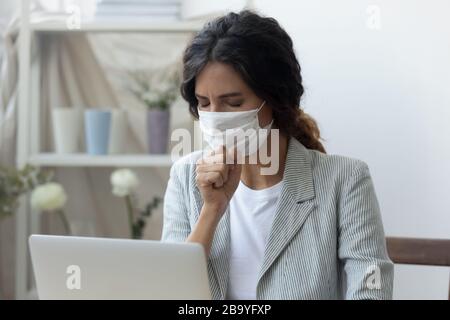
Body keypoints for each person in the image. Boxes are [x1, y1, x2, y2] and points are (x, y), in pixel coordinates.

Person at [161, 10, 393, 300]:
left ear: (276, 98)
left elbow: (372, 289)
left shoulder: (344, 180)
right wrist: (211, 211)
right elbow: (169, 291)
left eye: (233, 102)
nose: (215, 117)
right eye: (204, 103)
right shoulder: (186, 176)